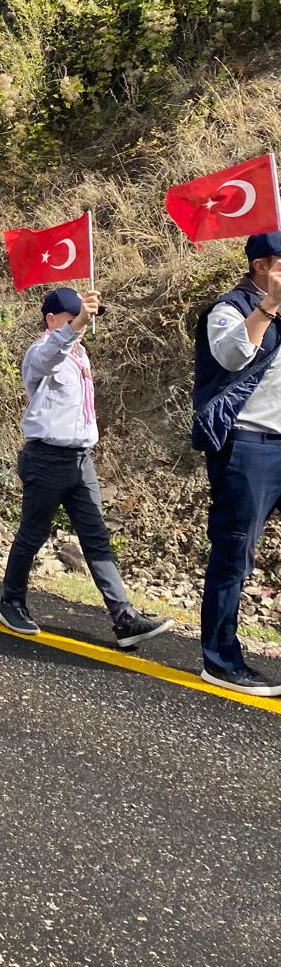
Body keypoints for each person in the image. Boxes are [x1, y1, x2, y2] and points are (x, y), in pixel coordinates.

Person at [0, 286, 173, 650]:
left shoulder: (80, 355)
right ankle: (11, 601)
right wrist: (75, 326)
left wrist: (76, 328)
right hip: (46, 458)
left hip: (80, 459)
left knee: (96, 537)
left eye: (86, 317)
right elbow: (49, 357)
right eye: (73, 317)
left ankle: (124, 617)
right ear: (51, 320)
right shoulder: (42, 351)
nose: (84, 323)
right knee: (33, 533)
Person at [192, 231, 281, 695]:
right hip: (248, 445)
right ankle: (220, 659)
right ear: (262, 266)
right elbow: (230, 356)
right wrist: (268, 306)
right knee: (234, 552)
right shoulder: (229, 308)